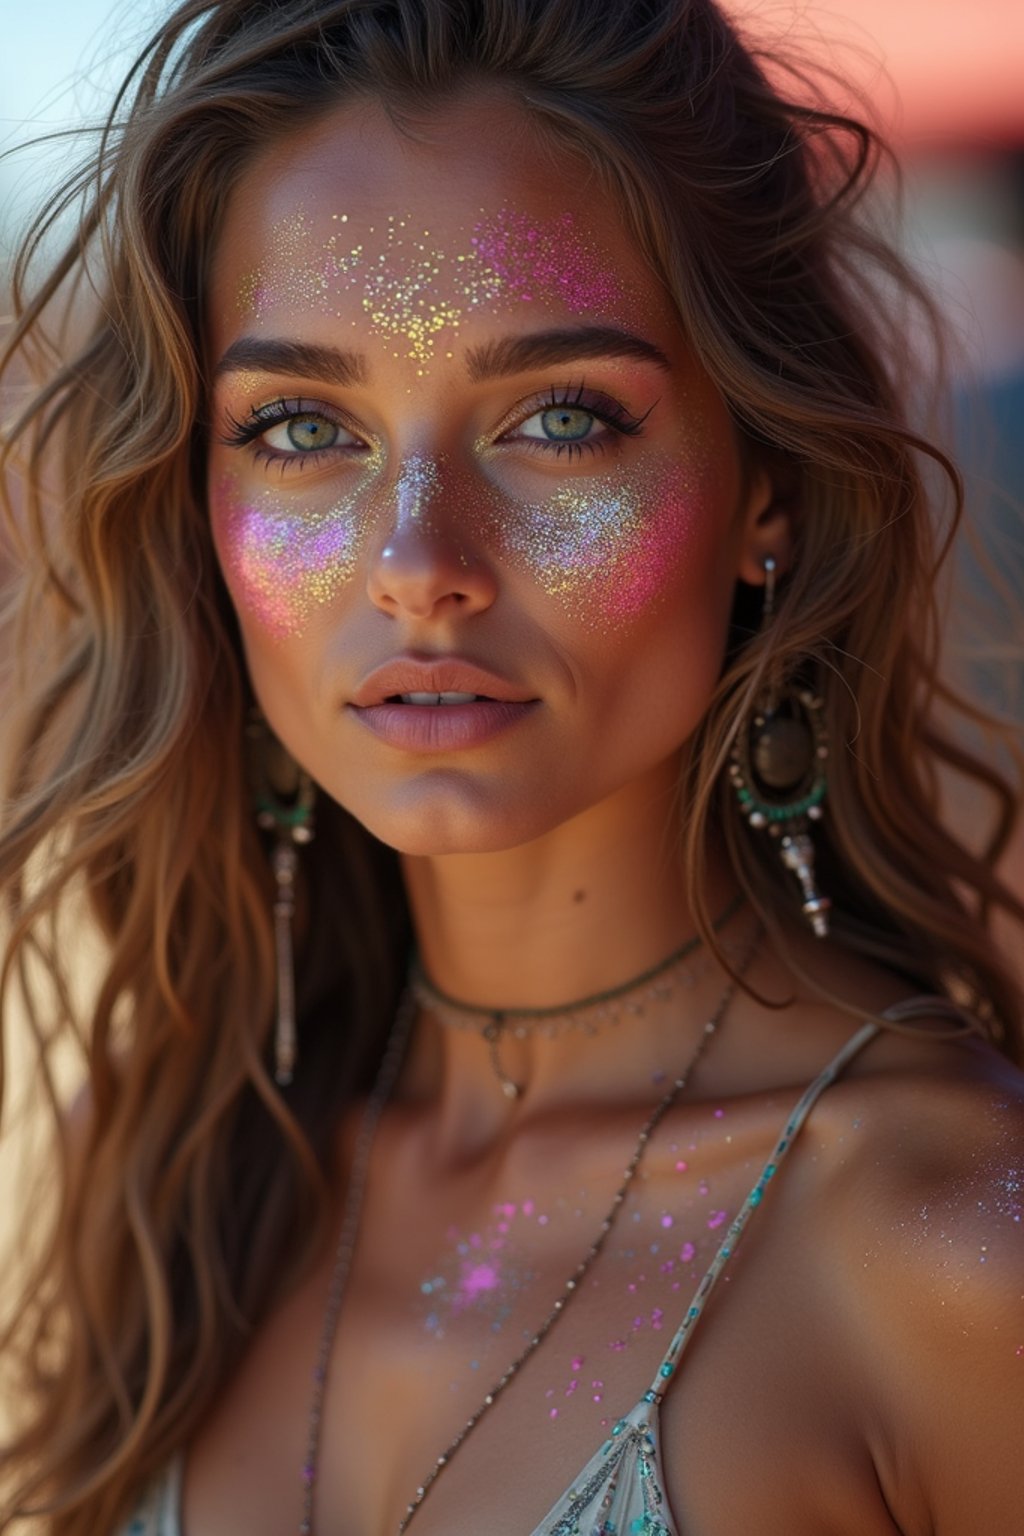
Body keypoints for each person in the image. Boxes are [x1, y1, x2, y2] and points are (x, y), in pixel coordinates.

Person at [1, 1, 1022, 1532]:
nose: (419, 563)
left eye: (559, 419)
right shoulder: (187, 1193)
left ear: (773, 486)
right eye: (297, 427)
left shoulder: (950, 1247)